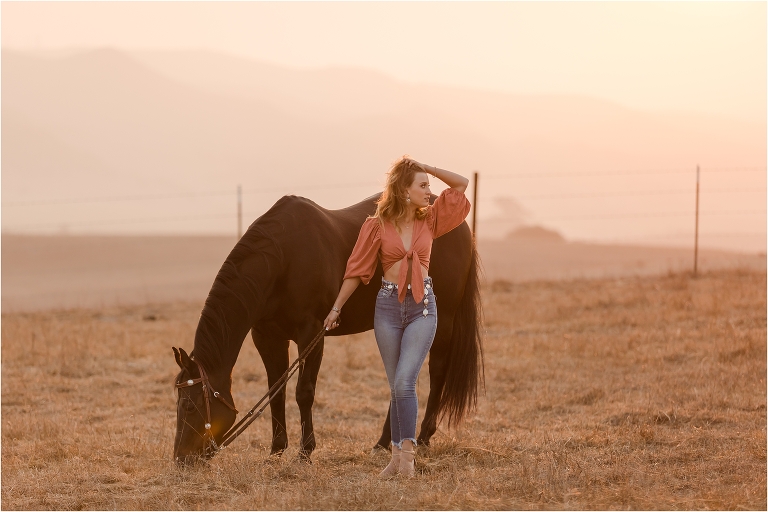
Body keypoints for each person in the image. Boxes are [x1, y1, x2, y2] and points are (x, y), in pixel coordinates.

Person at [323, 157, 471, 477]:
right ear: (404, 191)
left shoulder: (431, 221)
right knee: (395, 387)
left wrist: (426, 168)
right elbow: (357, 270)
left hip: (423, 306)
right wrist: (336, 309)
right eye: (422, 186)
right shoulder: (375, 226)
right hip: (388, 307)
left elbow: (461, 184)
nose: (429, 191)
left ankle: (406, 461)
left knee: (405, 382)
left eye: (428, 185)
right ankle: (396, 458)